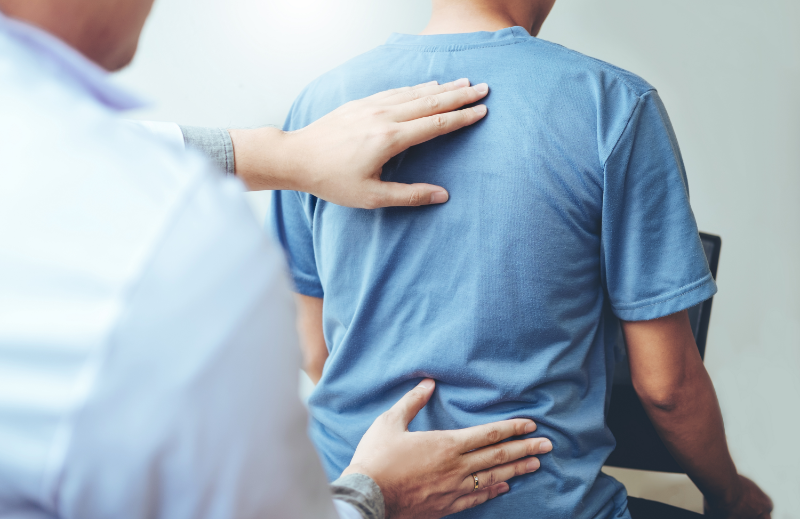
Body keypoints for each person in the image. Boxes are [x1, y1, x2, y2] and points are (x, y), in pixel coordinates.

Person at [0, 1, 556, 518]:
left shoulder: (323, 99)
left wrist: (278, 153)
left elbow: (314, 348)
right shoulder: (171, 239)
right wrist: (375, 495)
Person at [269, 0, 774, 518]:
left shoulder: (318, 105)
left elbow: (313, 350)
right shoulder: (612, 104)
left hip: (338, 492)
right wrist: (731, 495)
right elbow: (667, 386)